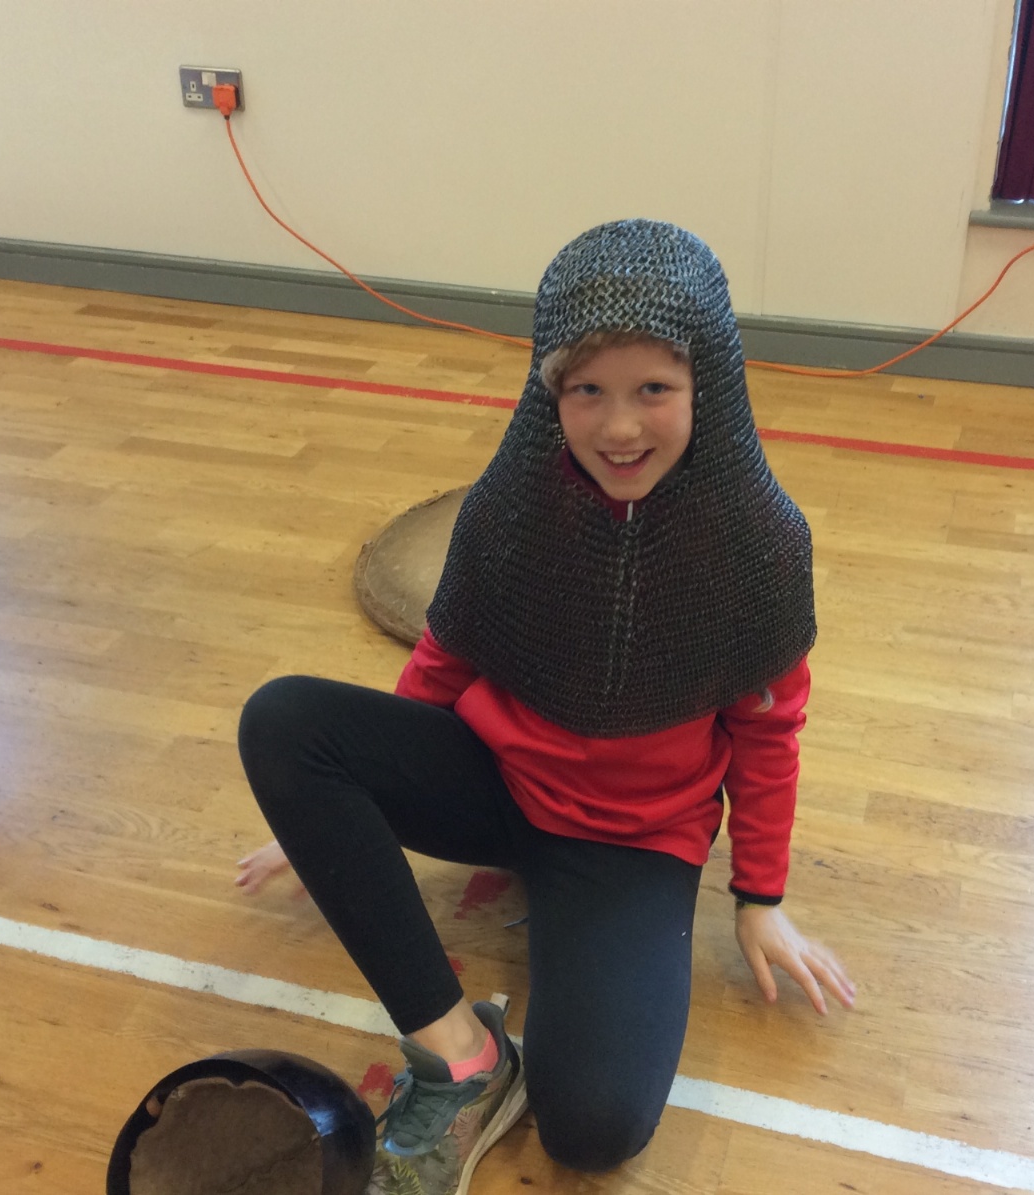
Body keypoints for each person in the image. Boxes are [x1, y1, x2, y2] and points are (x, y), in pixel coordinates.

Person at [235, 219, 855, 1195]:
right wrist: (338, 808)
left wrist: (760, 898)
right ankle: (464, 1055)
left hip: (630, 843)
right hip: (493, 782)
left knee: (594, 1128)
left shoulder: (757, 546)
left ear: (708, 386)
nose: (620, 426)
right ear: (549, 391)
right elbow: (445, 655)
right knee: (283, 721)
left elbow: (769, 731)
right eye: (587, 390)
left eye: (654, 389)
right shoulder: (511, 509)